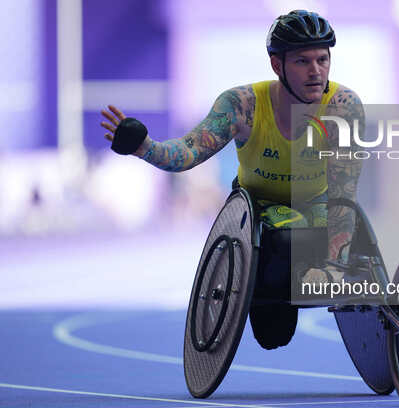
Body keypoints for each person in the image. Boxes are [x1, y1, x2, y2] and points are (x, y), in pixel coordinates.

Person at [100, 10, 363, 349]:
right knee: (273, 335)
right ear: (277, 65)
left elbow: (344, 194)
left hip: (319, 207)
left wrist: (333, 266)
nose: (316, 72)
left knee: (329, 238)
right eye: (302, 61)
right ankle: (269, 289)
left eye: (322, 59)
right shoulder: (242, 105)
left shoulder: (343, 107)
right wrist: (145, 147)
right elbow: (188, 152)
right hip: (259, 208)